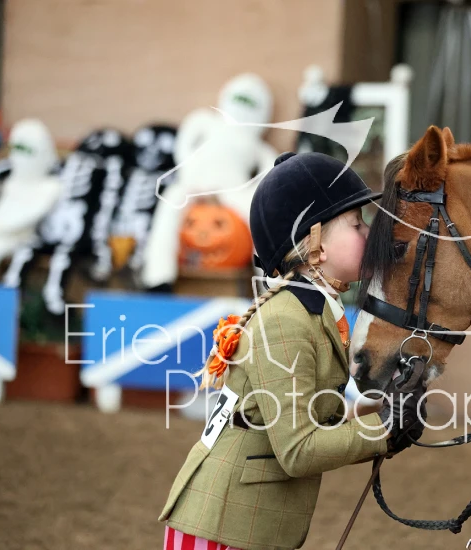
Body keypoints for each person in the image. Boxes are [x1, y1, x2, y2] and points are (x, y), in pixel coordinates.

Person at [159, 152, 426, 550]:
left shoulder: (311, 312)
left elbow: (316, 424)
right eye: (357, 224)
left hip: (245, 525)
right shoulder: (287, 321)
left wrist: (388, 416)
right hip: (223, 526)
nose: (369, 233)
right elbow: (299, 450)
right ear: (315, 245)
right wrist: (384, 429)